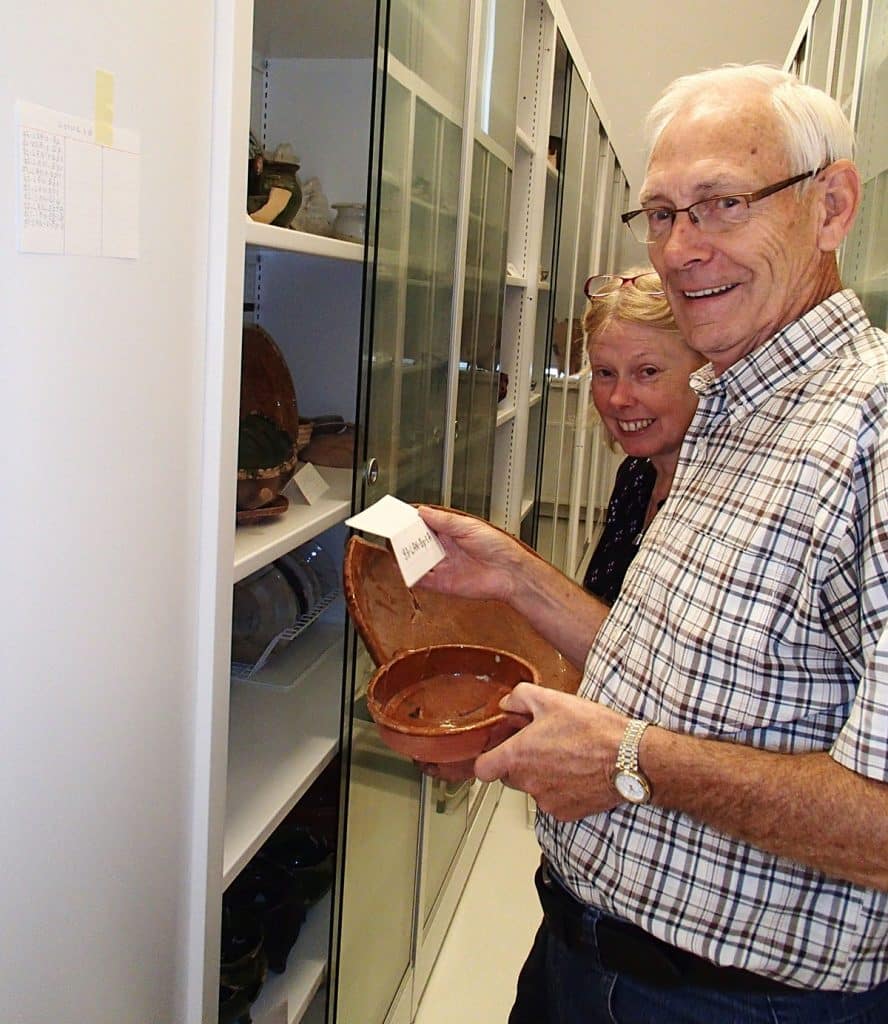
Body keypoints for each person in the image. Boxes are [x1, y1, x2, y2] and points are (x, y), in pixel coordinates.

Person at [418, 63, 888, 1023]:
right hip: (581, 951)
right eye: (662, 214)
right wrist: (513, 574)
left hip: (727, 1005)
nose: (682, 250)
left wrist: (629, 761)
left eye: (721, 203)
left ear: (832, 206)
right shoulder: (730, 398)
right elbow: (677, 673)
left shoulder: (869, 434)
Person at [580, 269, 705, 603]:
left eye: (647, 372)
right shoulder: (637, 475)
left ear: (707, 372)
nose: (619, 398)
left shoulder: (722, 501)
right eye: (605, 373)